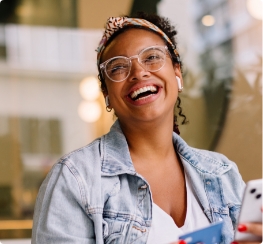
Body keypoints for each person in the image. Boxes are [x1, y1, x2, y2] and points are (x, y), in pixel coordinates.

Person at [31, 12, 262, 244]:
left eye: (151, 57)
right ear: (107, 95)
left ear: (177, 72)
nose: (138, 72)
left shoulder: (223, 174)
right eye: (118, 67)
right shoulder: (75, 180)